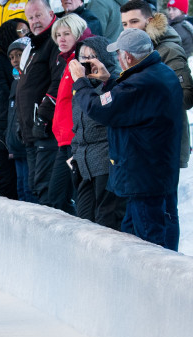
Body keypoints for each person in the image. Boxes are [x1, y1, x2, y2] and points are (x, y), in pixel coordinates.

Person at [73, 28, 182, 249]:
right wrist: (109, 79)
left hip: (143, 177)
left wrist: (80, 83)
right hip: (155, 173)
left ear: (128, 57)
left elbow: (99, 108)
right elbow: (128, 102)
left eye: (120, 55)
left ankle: (154, 283)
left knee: (149, 243)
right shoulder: (160, 73)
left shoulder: (139, 84)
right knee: (139, 235)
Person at [121, 0, 193, 169]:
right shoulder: (129, 51)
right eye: (125, 24)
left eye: (134, 22)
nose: (129, 28)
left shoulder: (168, 49)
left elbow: (186, 97)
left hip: (163, 144)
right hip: (138, 143)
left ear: (149, 22)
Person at [70, 36, 126, 229]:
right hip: (85, 165)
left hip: (105, 163)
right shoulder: (79, 86)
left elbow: (102, 113)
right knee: (84, 221)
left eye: (92, 56)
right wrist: (75, 156)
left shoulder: (115, 83)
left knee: (106, 223)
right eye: (82, 56)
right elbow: (77, 127)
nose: (86, 61)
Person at [16, 0, 59, 206]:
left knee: (45, 187)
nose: (35, 21)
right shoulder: (34, 44)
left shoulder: (54, 41)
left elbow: (57, 83)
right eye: (31, 18)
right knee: (34, 186)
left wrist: (42, 116)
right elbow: (25, 89)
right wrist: (21, 122)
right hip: (30, 128)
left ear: (51, 13)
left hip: (47, 129)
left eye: (38, 15)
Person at [47, 13, 91, 215]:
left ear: (78, 34)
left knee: (67, 197)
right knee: (56, 197)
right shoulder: (67, 60)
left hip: (75, 140)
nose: (61, 39)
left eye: (67, 34)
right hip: (64, 140)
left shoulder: (82, 60)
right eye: (58, 35)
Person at [0, 20, 30, 200]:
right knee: (8, 182)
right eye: (20, 30)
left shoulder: (28, 56)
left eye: (26, 31)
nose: (24, 33)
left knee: (22, 183)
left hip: (15, 125)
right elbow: (1, 95)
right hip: (2, 126)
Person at [6, 37, 35, 202]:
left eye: (19, 55)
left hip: (27, 141)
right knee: (21, 188)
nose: (15, 60)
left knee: (30, 188)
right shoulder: (15, 82)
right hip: (16, 144)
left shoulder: (31, 78)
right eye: (12, 57)